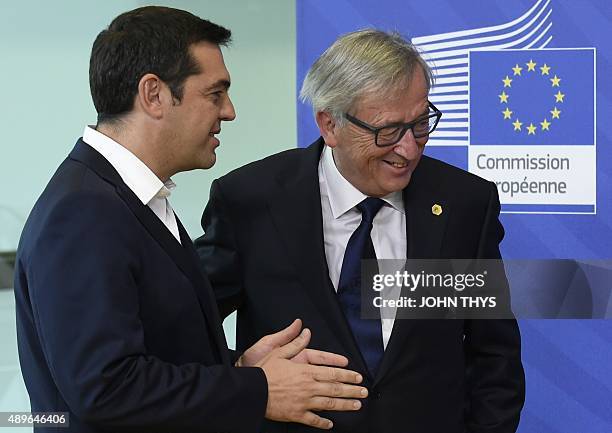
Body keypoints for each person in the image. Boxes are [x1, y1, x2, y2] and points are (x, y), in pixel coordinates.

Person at [13, 7, 367, 433]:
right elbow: (105, 390)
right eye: (215, 94)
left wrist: (232, 366)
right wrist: (257, 389)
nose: (230, 111)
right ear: (154, 94)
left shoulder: (131, 200)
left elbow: (151, 351)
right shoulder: (84, 213)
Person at [196, 29, 525, 432]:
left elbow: (494, 358)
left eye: (421, 124)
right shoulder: (250, 201)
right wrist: (246, 378)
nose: (409, 148)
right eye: (387, 130)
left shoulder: (464, 205)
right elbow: (179, 328)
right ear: (329, 124)